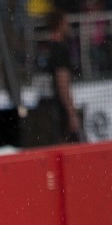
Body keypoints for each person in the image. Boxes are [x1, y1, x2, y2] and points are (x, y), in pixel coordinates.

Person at [40, 10, 83, 143]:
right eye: (65, 22)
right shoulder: (59, 49)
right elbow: (62, 83)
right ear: (59, 24)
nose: (68, 26)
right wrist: (71, 113)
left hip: (48, 107)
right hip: (59, 108)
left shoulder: (49, 48)